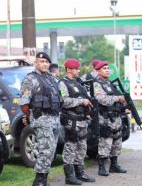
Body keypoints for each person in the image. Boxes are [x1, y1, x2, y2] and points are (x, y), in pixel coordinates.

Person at [19, 52, 61, 186]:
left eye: (46, 62)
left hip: (54, 119)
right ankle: (39, 180)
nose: (44, 64)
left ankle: (44, 178)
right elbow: (24, 102)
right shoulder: (30, 79)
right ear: (36, 63)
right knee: (45, 150)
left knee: (51, 150)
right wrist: (30, 116)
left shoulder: (52, 79)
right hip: (41, 119)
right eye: (41, 61)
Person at [59, 59, 96, 185]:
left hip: (82, 120)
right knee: (70, 147)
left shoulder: (79, 83)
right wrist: (81, 101)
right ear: (69, 69)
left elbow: (87, 98)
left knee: (82, 147)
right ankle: (69, 176)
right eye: (76, 69)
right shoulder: (63, 83)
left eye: (79, 68)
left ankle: (80, 173)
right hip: (71, 120)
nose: (79, 71)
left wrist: (88, 112)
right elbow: (63, 101)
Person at [93, 61, 129, 176]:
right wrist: (117, 98)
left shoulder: (110, 83)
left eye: (108, 68)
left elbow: (119, 98)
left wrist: (125, 107)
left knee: (117, 141)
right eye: (104, 69)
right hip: (105, 118)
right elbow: (102, 99)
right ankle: (102, 167)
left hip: (116, 117)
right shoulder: (97, 84)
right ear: (98, 71)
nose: (107, 70)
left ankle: (114, 165)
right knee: (105, 142)